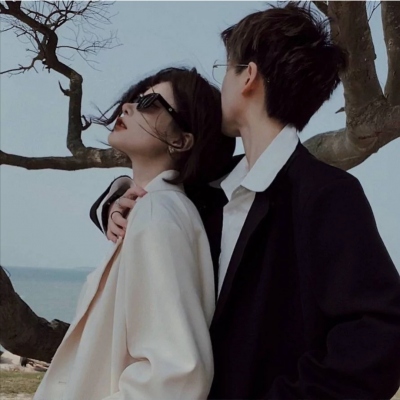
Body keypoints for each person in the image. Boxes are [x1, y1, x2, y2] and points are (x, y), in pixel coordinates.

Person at [91, 3, 400, 399]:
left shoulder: (324, 194)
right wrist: (116, 198)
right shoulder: (210, 191)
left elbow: (379, 336)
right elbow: (159, 188)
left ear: (248, 76)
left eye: (226, 70)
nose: (221, 84)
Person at [34, 67, 235, 400]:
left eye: (149, 103)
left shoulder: (158, 213)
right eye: (134, 99)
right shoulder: (151, 208)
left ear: (181, 140)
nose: (127, 106)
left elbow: (175, 375)